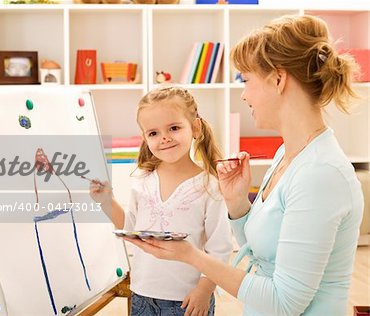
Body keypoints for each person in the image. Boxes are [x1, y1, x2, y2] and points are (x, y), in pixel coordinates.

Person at [124, 15, 364, 316]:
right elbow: (262, 252)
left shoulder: (321, 175)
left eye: (246, 80)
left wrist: (191, 256)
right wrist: (237, 204)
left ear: (278, 80)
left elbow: (284, 302)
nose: (243, 94)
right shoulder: (287, 156)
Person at [90, 86, 233, 316]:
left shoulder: (209, 185)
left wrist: (205, 289)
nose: (164, 138)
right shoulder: (142, 181)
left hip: (187, 300)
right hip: (142, 295)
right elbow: (132, 231)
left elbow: (220, 248)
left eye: (174, 128)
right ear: (145, 139)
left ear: (195, 128)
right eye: (153, 133)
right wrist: (107, 202)